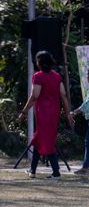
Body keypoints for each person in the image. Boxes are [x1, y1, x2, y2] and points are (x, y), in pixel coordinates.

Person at [17, 50, 74, 179]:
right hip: (54, 113)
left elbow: (34, 96)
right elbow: (63, 96)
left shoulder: (38, 76)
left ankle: (56, 172)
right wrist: (68, 113)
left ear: (39, 63)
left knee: (47, 140)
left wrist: (24, 112)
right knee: (39, 139)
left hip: (43, 113)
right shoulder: (56, 76)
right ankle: (32, 170)